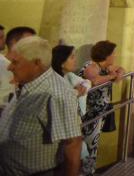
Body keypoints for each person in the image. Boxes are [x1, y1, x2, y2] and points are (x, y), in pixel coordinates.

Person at [0, 36, 83, 176]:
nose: (9, 67)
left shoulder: (56, 93)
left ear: (36, 63)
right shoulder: (28, 82)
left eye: (15, 62)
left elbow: (72, 144)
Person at [78, 40, 125, 176]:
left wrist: (119, 72)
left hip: (99, 114)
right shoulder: (91, 66)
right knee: (87, 146)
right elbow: (94, 81)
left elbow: (122, 70)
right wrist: (112, 76)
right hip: (89, 114)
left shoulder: (105, 68)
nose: (115, 56)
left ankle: (89, 172)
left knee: (93, 145)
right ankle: (85, 173)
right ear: (106, 55)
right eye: (113, 53)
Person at [52, 44, 91, 162]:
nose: (75, 61)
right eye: (72, 57)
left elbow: (87, 82)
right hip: (61, 129)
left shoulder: (69, 76)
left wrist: (84, 86)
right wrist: (75, 93)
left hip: (73, 124)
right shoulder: (53, 80)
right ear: (62, 62)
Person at [0, 26, 36, 113]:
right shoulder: (1, 63)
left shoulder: (28, 67)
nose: (34, 46)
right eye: (30, 42)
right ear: (15, 43)